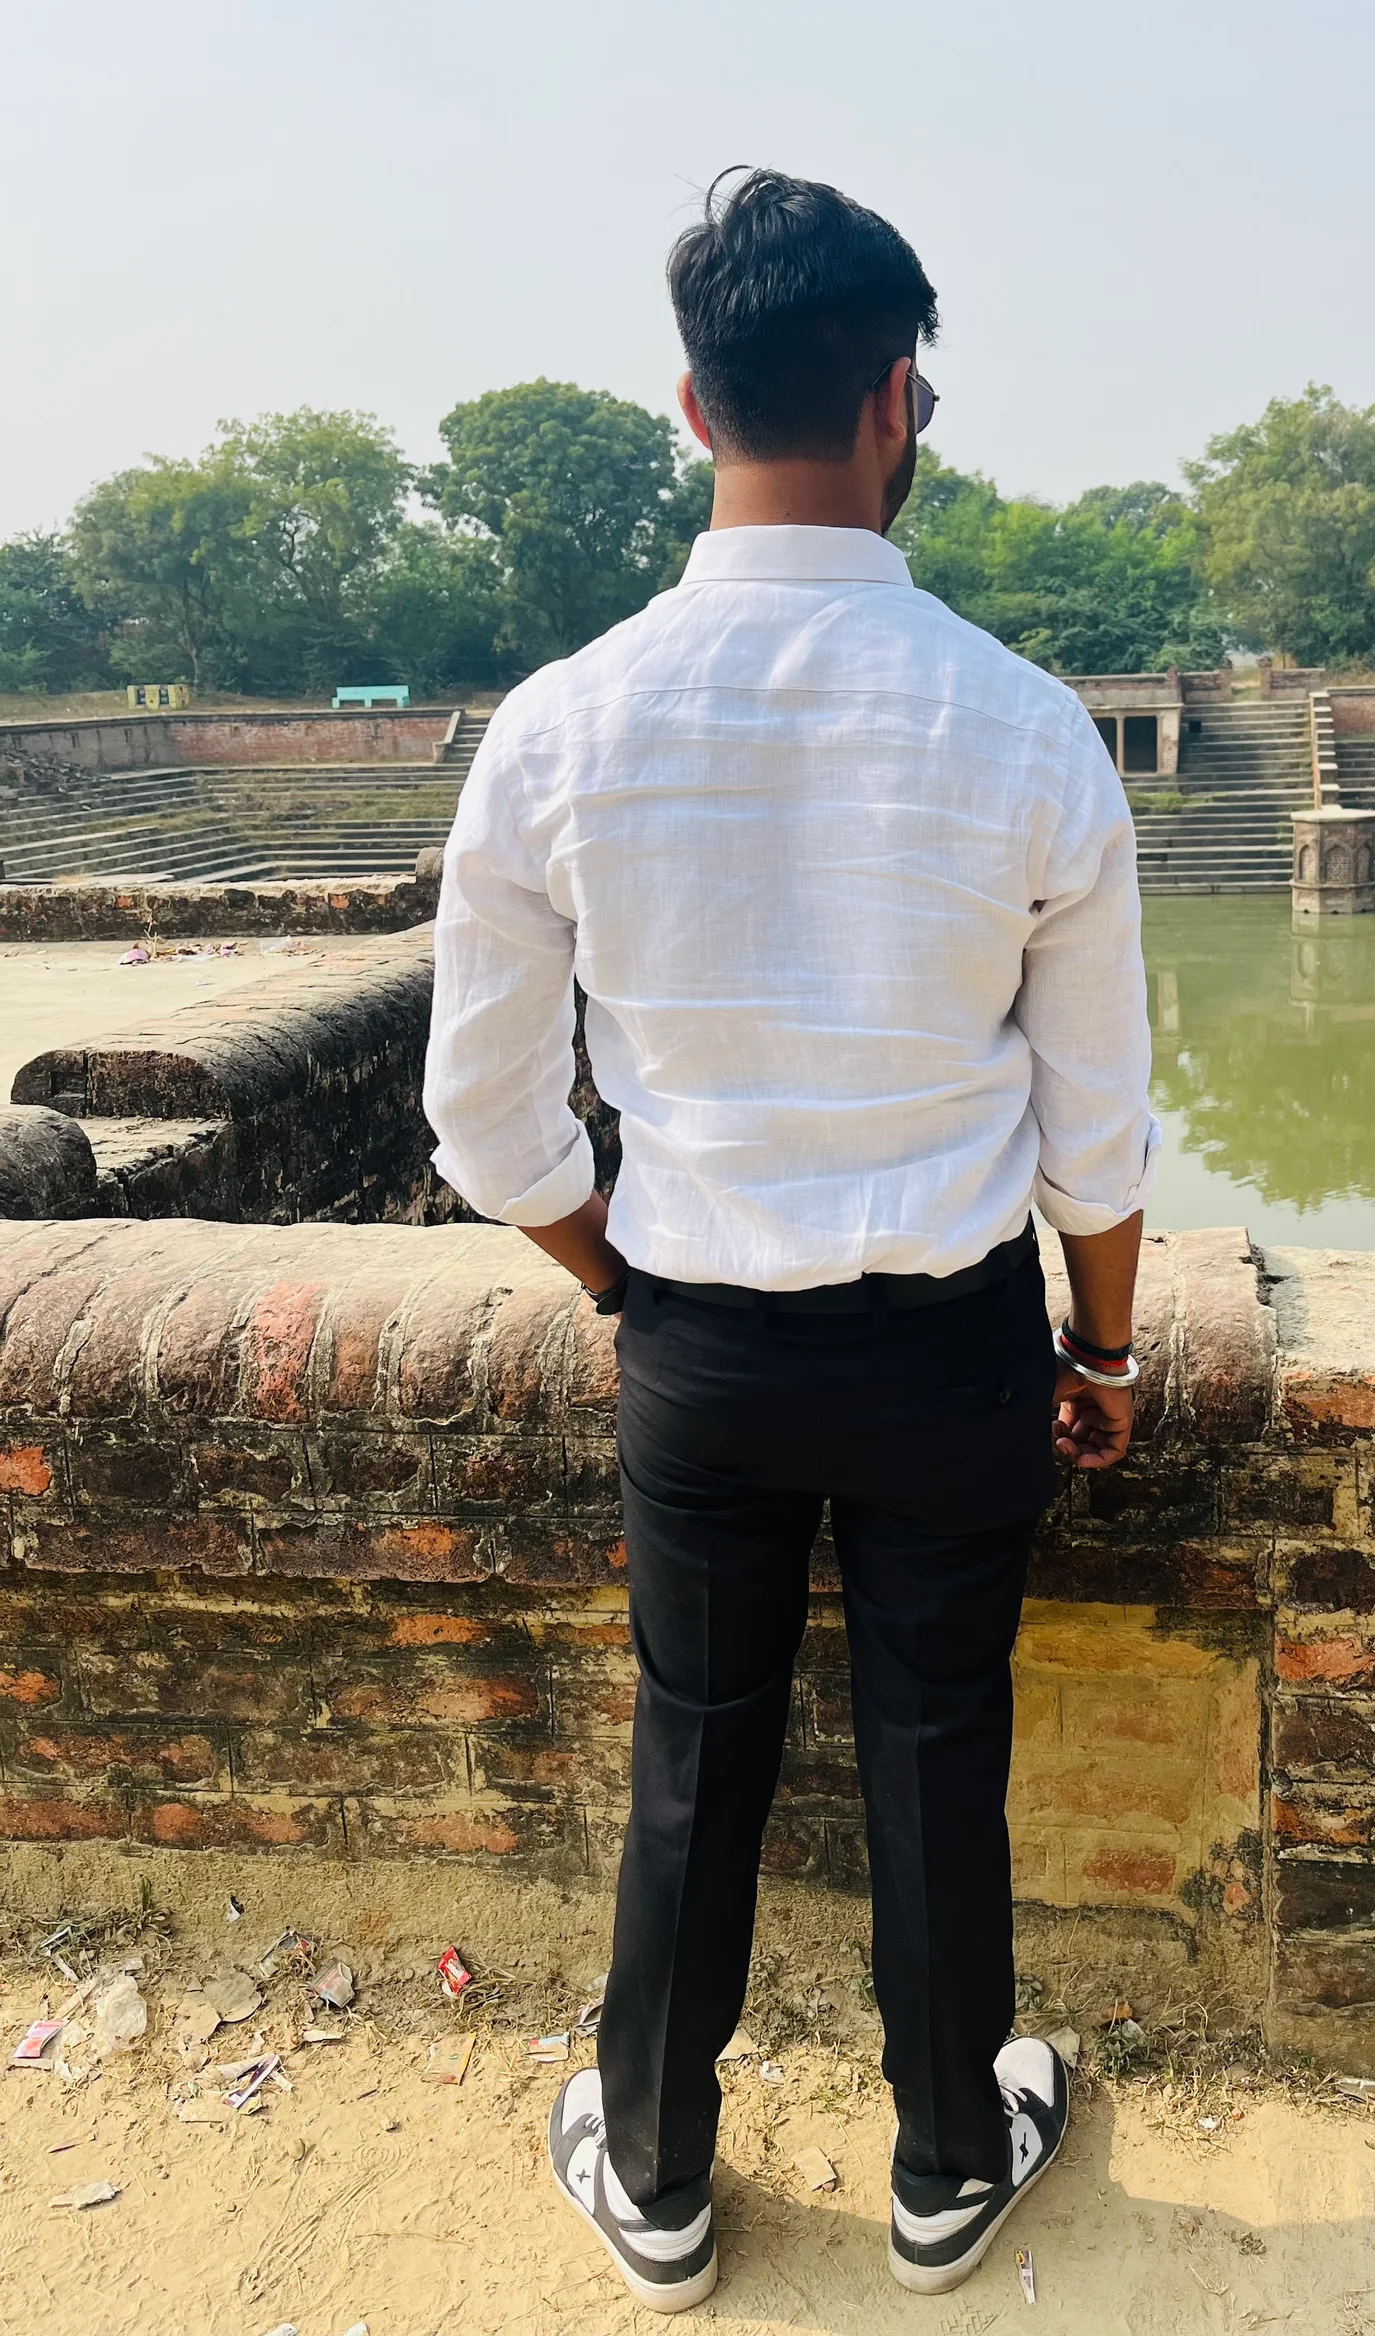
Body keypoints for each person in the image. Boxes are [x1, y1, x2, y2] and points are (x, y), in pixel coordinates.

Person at [423, 168, 1157, 2313]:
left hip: (702, 1343)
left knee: (695, 1746)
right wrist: (1102, 1356)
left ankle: (653, 2168)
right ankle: (948, 2162)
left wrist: (623, 1282)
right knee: (937, 1743)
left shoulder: (563, 723)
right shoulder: (1022, 723)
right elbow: (1095, 1128)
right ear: (896, 399)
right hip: (951, 1348)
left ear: (692, 406)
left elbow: (486, 1120)